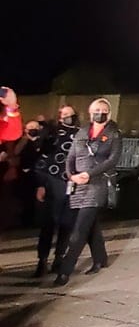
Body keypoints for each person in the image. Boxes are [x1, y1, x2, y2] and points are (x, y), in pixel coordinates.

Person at [54, 98, 123, 286]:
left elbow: (112, 160)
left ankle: (64, 271)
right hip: (78, 184)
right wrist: (71, 175)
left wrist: (89, 173)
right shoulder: (82, 132)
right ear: (90, 112)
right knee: (91, 225)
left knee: (80, 229)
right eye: (96, 109)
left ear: (108, 113)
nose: (99, 113)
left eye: (103, 110)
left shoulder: (114, 134)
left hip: (97, 184)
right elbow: (71, 157)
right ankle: (101, 258)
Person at [33, 104, 80, 276]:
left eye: (70, 114)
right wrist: (41, 184)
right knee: (48, 224)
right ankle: (42, 260)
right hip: (52, 182)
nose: (66, 117)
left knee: (66, 224)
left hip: (71, 183)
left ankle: (59, 258)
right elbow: (43, 157)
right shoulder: (53, 133)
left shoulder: (80, 134)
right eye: (63, 114)